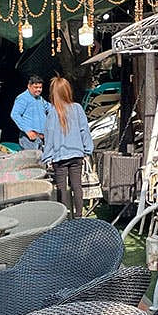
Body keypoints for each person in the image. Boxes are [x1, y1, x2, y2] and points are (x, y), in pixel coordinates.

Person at [43, 76, 93, 218]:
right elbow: (85, 130)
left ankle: (63, 216)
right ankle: (79, 215)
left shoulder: (53, 112)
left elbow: (49, 136)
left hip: (59, 156)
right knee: (77, 186)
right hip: (77, 154)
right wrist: (87, 150)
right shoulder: (77, 108)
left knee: (61, 188)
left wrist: (47, 156)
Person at [11, 75, 50, 150]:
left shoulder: (40, 99)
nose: (38, 90)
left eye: (40, 87)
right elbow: (15, 114)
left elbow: (50, 108)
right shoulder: (23, 98)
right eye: (36, 87)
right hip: (29, 139)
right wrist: (27, 130)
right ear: (29, 86)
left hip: (41, 138)